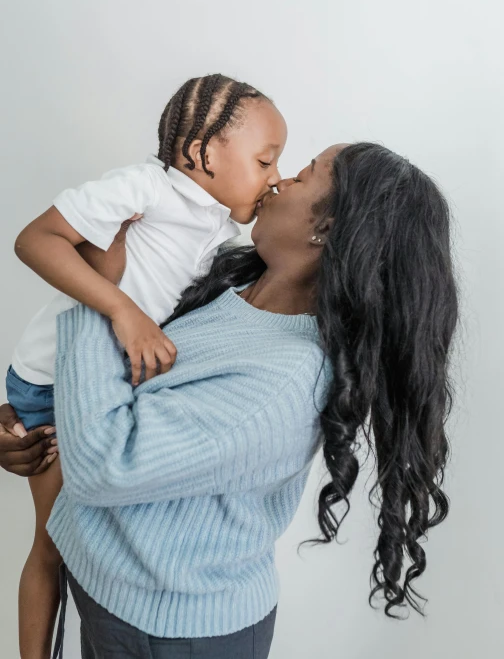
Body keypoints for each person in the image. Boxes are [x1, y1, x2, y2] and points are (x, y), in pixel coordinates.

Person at [0, 142, 459, 658]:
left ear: (325, 230)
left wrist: (99, 294)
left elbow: (106, 462)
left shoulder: (285, 381)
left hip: (171, 631)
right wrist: (24, 419)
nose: (278, 182)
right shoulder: (232, 286)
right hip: (114, 591)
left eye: (302, 175)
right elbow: (127, 390)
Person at [5, 73, 287, 659]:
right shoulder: (142, 188)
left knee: (80, 544)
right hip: (53, 384)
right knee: (55, 544)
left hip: (106, 390)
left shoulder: (219, 231)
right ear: (203, 154)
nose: (276, 179)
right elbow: (35, 240)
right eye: (266, 161)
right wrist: (120, 308)